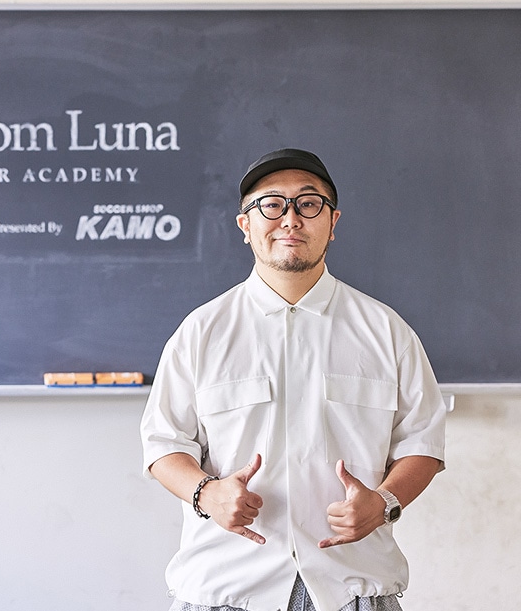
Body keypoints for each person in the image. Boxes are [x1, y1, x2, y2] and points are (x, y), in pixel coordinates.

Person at [140, 148, 446, 611]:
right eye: (271, 204)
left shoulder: (386, 331)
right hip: (227, 585)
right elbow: (163, 444)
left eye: (308, 203)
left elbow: (422, 443)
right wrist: (207, 494)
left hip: (352, 586)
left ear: (333, 222)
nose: (290, 219)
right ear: (245, 225)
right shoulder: (201, 332)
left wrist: (384, 502)